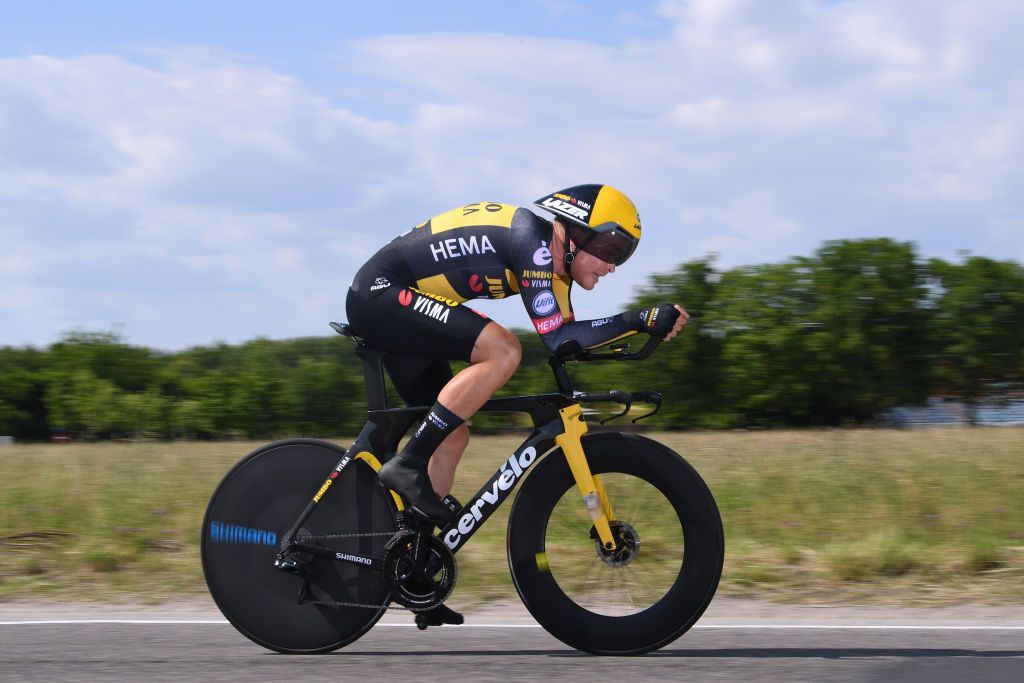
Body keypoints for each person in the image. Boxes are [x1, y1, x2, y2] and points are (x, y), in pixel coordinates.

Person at [344, 184, 687, 625]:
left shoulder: (551, 266)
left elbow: (565, 339)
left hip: (397, 302)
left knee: (453, 433)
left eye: (624, 254)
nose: (611, 265)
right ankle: (407, 463)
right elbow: (558, 338)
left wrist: (641, 325)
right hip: (381, 294)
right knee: (504, 350)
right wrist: (637, 319)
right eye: (608, 247)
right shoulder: (535, 245)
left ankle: (412, 570)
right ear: (572, 233)